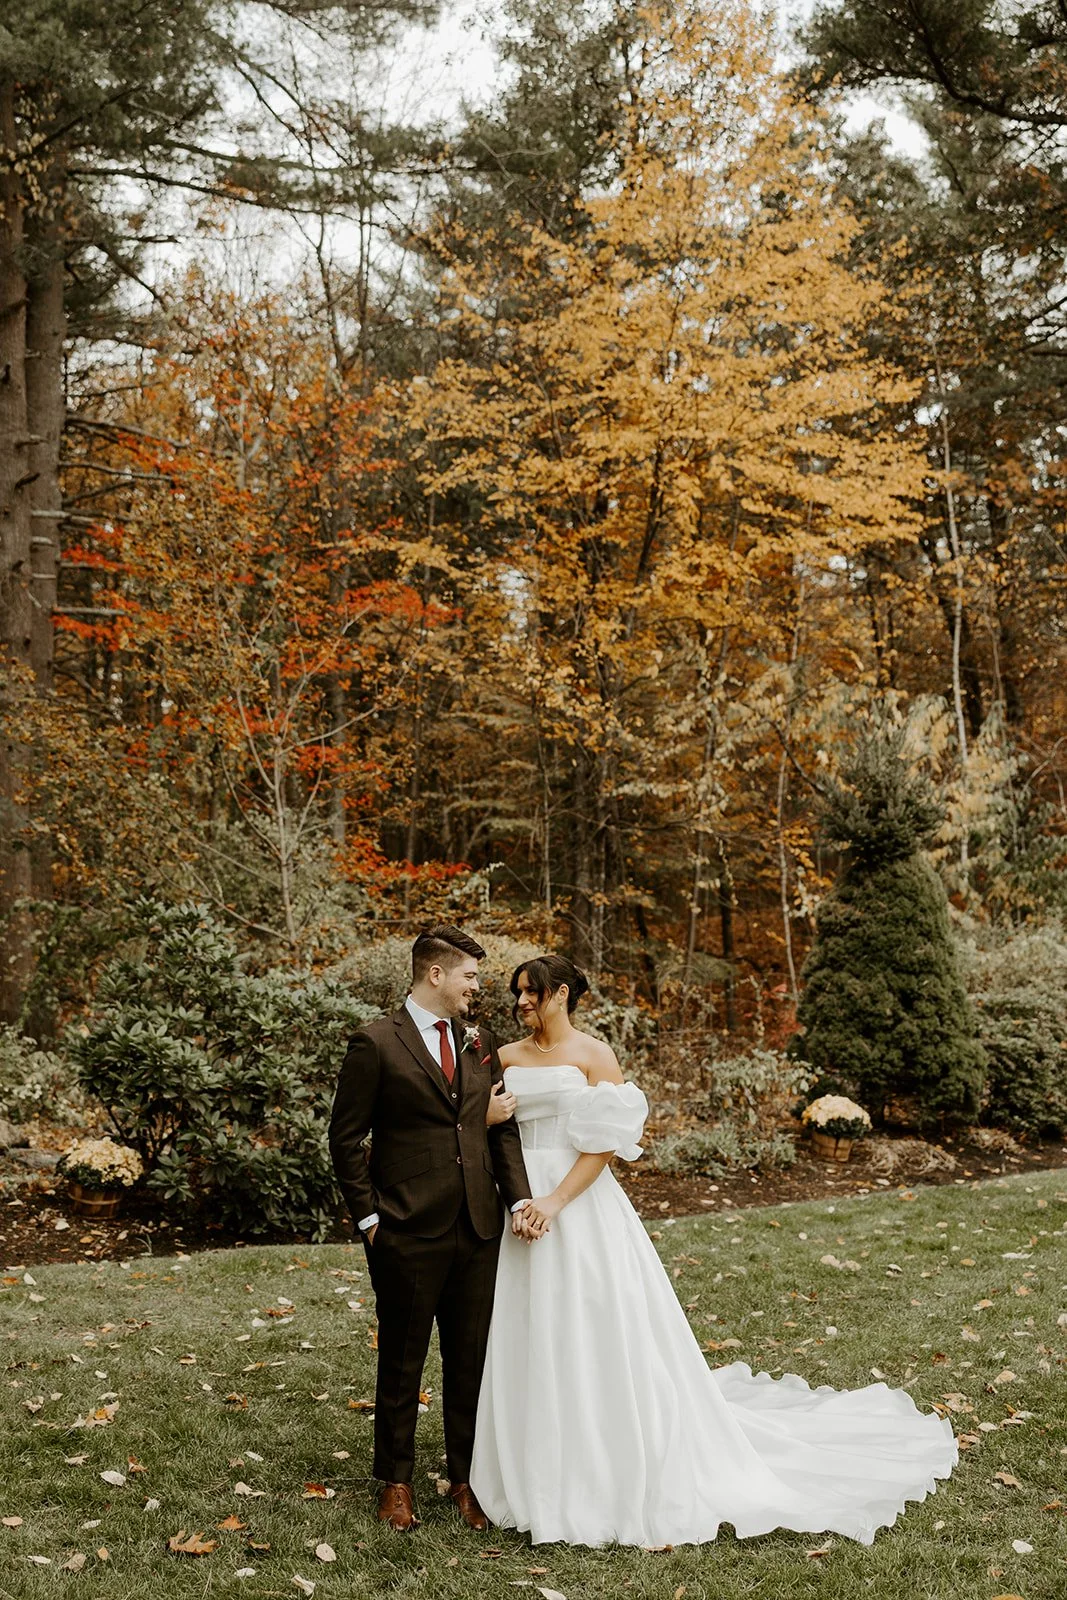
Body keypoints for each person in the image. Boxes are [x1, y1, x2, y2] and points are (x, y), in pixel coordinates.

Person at [470, 953, 958, 1547]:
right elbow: (490, 1131)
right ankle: (534, 1459)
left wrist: (553, 1203)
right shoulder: (503, 1057)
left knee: (595, 1324)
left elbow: (604, 1147)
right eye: (516, 992)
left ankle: (608, 1457)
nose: (520, 1002)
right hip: (519, 1205)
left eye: (531, 992)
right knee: (530, 1330)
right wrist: (521, 1196)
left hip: (577, 1202)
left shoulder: (595, 1055)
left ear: (563, 993)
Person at [329, 925, 535, 1532]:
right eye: (470, 975)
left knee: (469, 1360)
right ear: (436, 975)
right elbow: (345, 1140)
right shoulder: (375, 1043)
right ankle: (395, 1482)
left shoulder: (479, 1040)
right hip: (406, 1228)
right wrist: (370, 1218)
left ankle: (465, 1481)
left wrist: (519, 1201)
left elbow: (500, 1129)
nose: (478, 986)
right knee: (402, 1362)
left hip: (478, 1224)